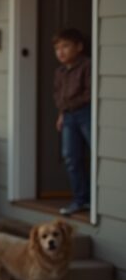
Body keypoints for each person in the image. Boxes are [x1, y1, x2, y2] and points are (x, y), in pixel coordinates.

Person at [52, 28, 92, 215]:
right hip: (68, 116)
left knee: (94, 153)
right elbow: (58, 95)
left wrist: (70, 106)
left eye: (65, 46)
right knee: (71, 157)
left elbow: (89, 93)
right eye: (57, 48)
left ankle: (95, 199)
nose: (61, 51)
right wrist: (62, 114)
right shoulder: (60, 71)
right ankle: (80, 199)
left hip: (85, 113)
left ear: (79, 47)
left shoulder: (87, 66)